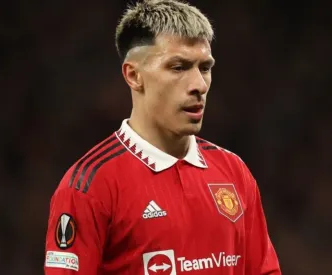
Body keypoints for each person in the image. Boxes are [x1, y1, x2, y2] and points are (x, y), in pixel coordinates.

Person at [44, 0, 281, 274]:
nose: (199, 85)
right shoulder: (89, 187)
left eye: (204, 68)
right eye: (178, 67)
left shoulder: (234, 172)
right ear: (134, 75)